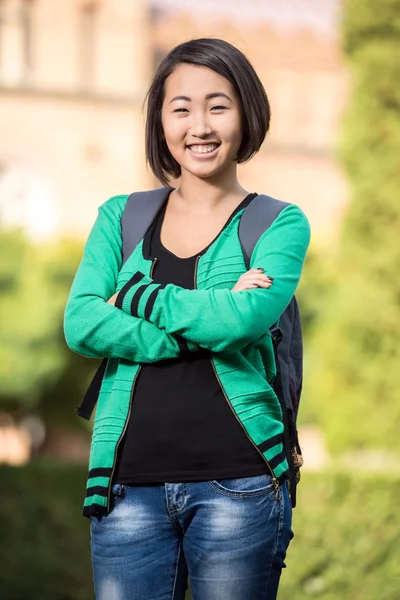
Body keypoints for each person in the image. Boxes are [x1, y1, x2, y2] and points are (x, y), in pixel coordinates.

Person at [64, 37, 311, 600]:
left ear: (247, 112)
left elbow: (240, 324)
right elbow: (81, 323)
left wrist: (133, 294)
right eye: (181, 108)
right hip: (124, 489)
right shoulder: (120, 217)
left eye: (218, 105)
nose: (199, 125)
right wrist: (214, 315)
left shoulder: (278, 223)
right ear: (161, 122)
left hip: (241, 485)